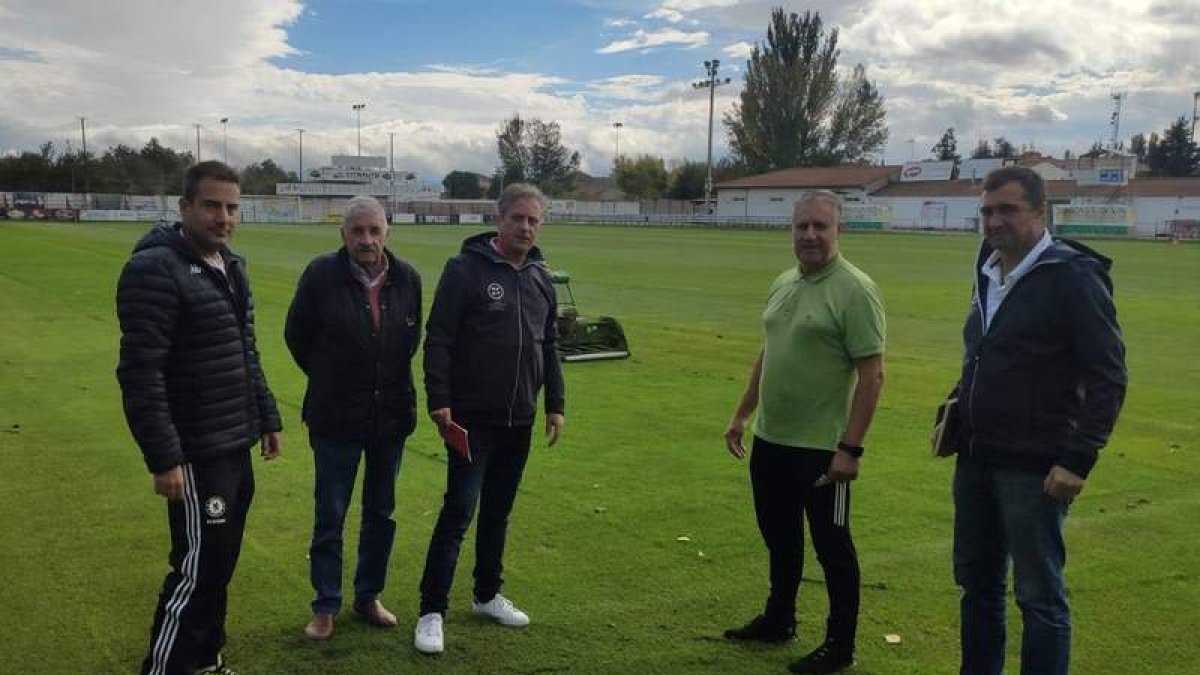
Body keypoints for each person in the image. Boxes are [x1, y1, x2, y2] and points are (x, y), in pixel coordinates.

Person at [949, 166, 1126, 675]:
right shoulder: (986, 265)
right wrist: (959, 405)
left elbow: (1108, 375)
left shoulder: (1073, 276)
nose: (994, 221)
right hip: (976, 458)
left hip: (1034, 468)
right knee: (977, 586)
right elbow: (986, 351)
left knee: (1039, 597)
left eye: (1007, 210)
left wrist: (1078, 458)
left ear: (1040, 211)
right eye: (986, 211)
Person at [116, 160, 283, 675]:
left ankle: (204, 661)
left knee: (218, 564)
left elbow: (245, 351)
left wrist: (266, 415)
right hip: (196, 452)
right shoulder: (155, 269)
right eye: (212, 205)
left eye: (232, 207)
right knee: (196, 569)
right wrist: (165, 457)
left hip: (233, 441)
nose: (223, 217)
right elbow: (141, 372)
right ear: (185, 206)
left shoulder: (230, 266)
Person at [723, 190, 886, 675]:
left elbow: (873, 375)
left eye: (820, 226)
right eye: (802, 227)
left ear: (839, 230)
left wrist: (850, 449)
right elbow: (770, 351)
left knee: (833, 548)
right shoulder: (784, 282)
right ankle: (780, 620)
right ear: (791, 230)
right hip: (772, 440)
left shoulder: (855, 290)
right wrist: (743, 413)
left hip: (821, 450)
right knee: (780, 538)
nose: (810, 235)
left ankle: (840, 644)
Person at [413, 183, 566, 655]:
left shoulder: (541, 276)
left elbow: (550, 344)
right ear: (499, 219)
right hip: (472, 420)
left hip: (520, 419)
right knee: (459, 511)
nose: (525, 227)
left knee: (498, 512)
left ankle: (486, 595)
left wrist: (556, 404)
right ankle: (431, 611)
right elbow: (439, 337)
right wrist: (439, 398)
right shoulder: (465, 270)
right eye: (518, 218)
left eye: (534, 220)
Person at [284, 195, 422, 641]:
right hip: (335, 417)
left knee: (381, 513)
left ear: (387, 233)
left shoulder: (408, 278)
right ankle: (325, 604)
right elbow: (297, 336)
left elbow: (410, 341)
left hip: (390, 417)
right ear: (342, 234)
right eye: (357, 231)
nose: (367, 239)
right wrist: (332, 377)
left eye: (374, 230)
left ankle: (368, 596)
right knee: (331, 513)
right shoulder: (320, 275)